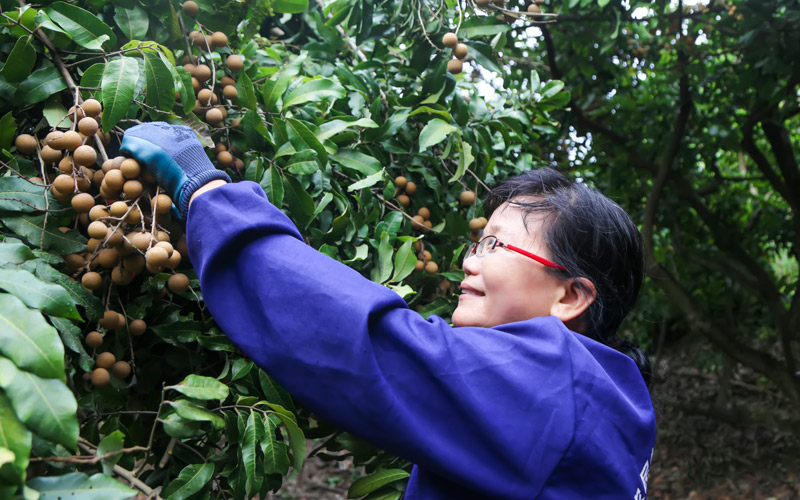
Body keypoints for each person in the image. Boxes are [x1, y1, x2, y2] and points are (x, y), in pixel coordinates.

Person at [121, 122, 657, 500]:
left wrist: (207, 194)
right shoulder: (607, 405)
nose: (469, 261)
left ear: (570, 297)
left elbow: (364, 342)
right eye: (477, 243)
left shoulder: (559, 385)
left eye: (495, 245)